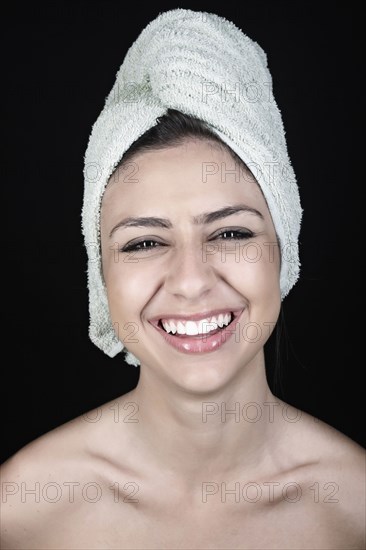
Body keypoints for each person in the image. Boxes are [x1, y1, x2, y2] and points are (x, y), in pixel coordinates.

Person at [1, 8, 364, 550]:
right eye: (144, 243)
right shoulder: (21, 511)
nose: (191, 282)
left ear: (283, 248)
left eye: (231, 234)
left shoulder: (355, 509)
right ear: (100, 275)